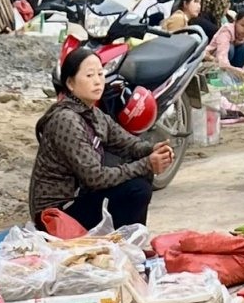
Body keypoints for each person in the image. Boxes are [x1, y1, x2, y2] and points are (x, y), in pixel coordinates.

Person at [29, 45, 173, 229]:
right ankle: (124, 244)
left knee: (141, 178)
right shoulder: (65, 120)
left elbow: (128, 144)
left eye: (100, 74)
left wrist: (153, 150)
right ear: (70, 83)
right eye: (89, 76)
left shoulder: (94, 114)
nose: (98, 81)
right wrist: (147, 164)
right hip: (55, 214)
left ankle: (126, 242)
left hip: (78, 200)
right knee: (136, 188)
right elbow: (95, 177)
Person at [210, 6, 244, 73]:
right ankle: (227, 72)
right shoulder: (227, 30)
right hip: (216, 58)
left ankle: (234, 72)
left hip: (233, 60)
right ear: (235, 22)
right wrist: (236, 71)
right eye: (242, 25)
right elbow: (222, 56)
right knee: (230, 49)